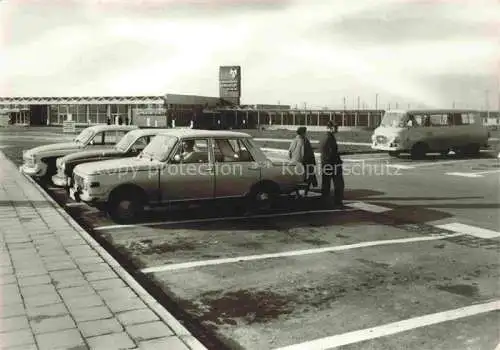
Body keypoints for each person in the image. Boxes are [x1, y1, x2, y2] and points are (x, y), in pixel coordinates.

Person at [320, 120, 344, 207]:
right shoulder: (329, 138)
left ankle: (324, 201)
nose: (337, 129)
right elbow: (331, 153)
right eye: (335, 127)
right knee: (339, 184)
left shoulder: (325, 137)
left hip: (326, 164)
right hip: (332, 164)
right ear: (330, 128)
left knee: (326, 184)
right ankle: (338, 201)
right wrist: (338, 162)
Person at [288, 127, 317, 197]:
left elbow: (289, 152)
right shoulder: (304, 140)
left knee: (297, 179)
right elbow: (305, 153)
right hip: (304, 163)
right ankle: (305, 193)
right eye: (305, 132)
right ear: (303, 132)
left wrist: (292, 160)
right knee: (308, 178)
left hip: (294, 163)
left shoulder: (294, 140)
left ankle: (298, 193)